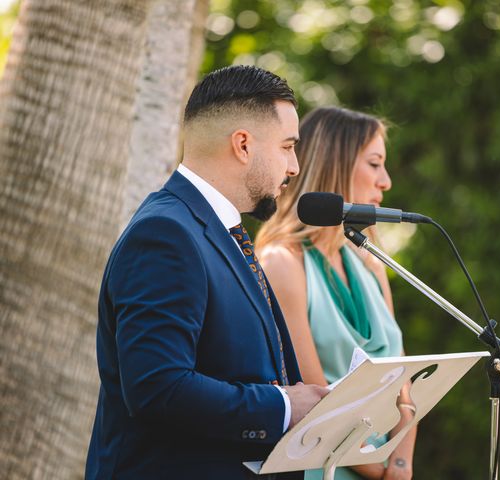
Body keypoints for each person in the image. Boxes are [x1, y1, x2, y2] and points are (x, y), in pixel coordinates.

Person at [85, 65, 329, 479]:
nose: (293, 166)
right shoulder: (165, 234)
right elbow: (158, 388)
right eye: (288, 147)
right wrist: (285, 407)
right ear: (243, 145)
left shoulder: (216, 229)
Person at [256, 106, 417, 480]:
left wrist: (401, 464)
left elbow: (403, 383)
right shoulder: (282, 264)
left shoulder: (371, 264)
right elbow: (315, 404)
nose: (386, 181)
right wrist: (379, 471)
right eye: (375, 164)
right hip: (322, 468)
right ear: (335, 165)